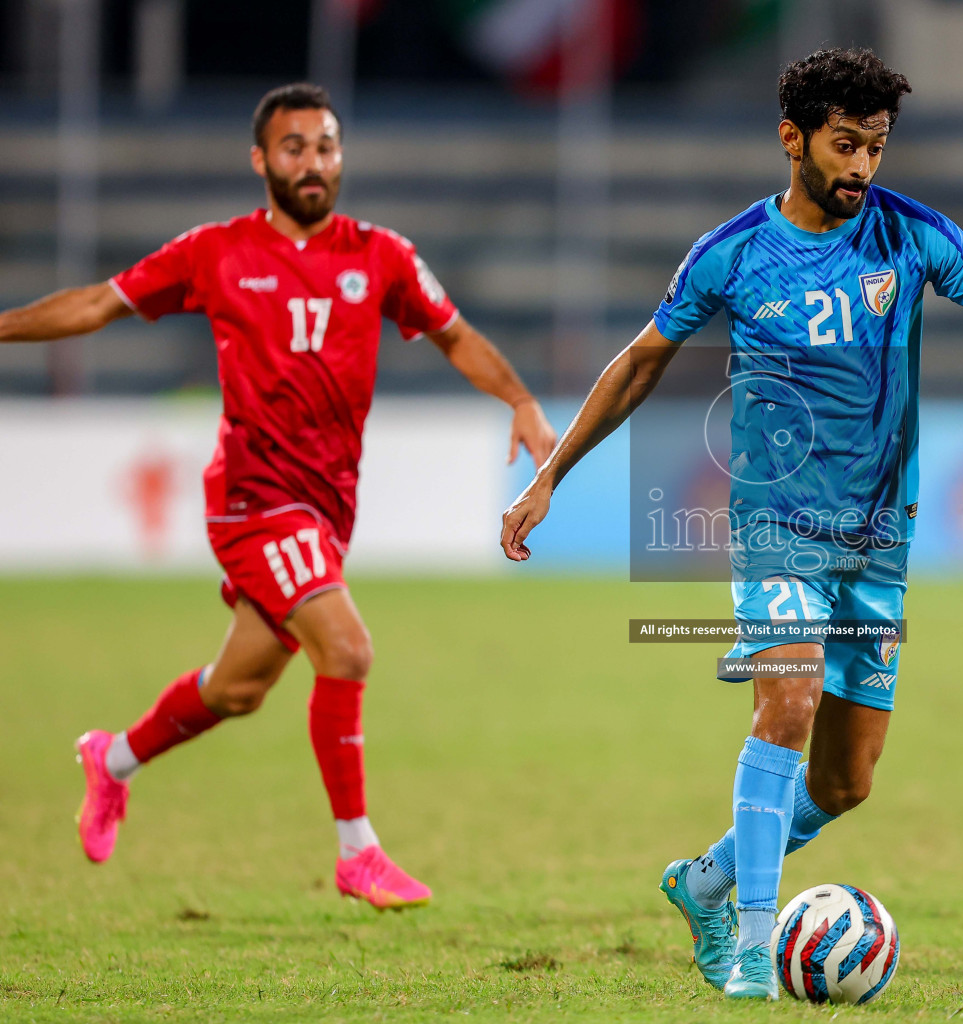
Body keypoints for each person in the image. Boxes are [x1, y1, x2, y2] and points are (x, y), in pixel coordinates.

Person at [497, 49, 963, 998]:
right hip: (776, 522)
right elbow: (637, 364)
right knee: (789, 695)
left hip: (878, 535)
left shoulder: (915, 237)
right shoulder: (733, 253)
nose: (863, 167)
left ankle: (705, 882)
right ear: (794, 140)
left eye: (876, 147)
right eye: (845, 145)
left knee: (846, 783)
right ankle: (749, 948)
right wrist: (550, 479)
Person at [0, 83, 557, 909]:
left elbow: (456, 335)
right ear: (261, 160)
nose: (312, 162)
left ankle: (110, 758)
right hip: (254, 499)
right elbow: (95, 303)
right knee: (349, 650)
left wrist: (517, 399)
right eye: (293, 147)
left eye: (325, 146)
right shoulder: (215, 252)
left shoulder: (383, 256)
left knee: (238, 689)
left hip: (326, 506)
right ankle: (356, 852)